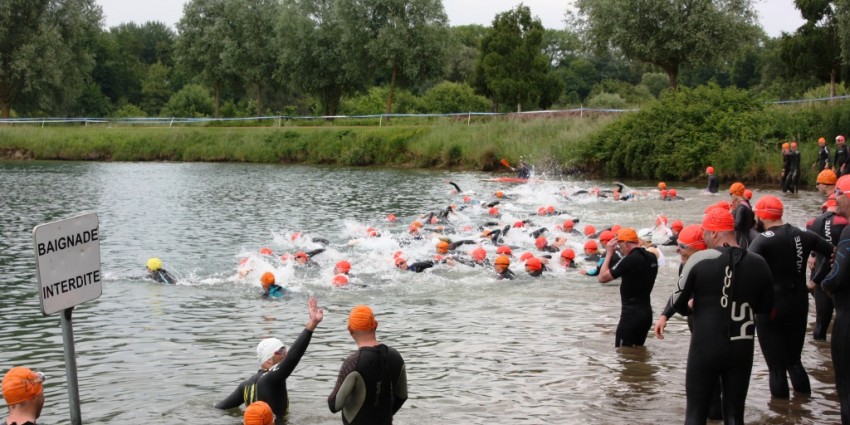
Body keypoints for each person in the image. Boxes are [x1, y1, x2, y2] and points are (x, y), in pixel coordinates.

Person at [667, 207, 774, 424]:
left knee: (695, 414)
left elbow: (677, 303)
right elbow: (765, 308)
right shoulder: (759, 263)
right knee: (735, 415)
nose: (704, 236)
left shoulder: (699, 260)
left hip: (705, 346)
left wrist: (693, 306)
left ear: (714, 233)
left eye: (705, 231)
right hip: (741, 346)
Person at [748, 195, 834, 399]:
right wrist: (814, 282)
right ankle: (801, 410)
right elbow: (835, 255)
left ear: (762, 216)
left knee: (776, 368)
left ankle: (782, 416)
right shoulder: (804, 233)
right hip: (799, 302)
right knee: (794, 362)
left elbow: (746, 267)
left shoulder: (762, 240)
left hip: (772, 306)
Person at [215, 297, 324, 419]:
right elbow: (293, 358)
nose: (285, 353)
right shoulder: (271, 379)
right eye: (280, 351)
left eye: (284, 348)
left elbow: (219, 408)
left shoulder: (245, 386)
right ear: (268, 360)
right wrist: (311, 325)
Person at [328, 305, 408, 425]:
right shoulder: (395, 356)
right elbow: (402, 396)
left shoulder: (353, 363)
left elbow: (334, 405)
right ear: (376, 325)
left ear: (350, 330)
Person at [598, 227, 659, 347]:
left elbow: (602, 278)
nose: (620, 251)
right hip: (646, 315)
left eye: (620, 247)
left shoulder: (630, 259)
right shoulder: (652, 257)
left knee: (622, 355)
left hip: (630, 316)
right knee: (637, 355)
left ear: (626, 243)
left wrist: (609, 252)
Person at [821, 174, 850, 424]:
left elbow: (835, 279)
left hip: (847, 319)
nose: (834, 198)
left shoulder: (849, 231)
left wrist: (825, 283)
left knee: (846, 391)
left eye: (838, 193)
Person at [807, 194, 847, 340]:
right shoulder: (843, 223)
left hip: (819, 279)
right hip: (840, 277)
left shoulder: (812, 223)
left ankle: (821, 356)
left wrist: (814, 281)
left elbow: (816, 248)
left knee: (820, 327)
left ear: (825, 206)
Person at [729, 182, 756, 249]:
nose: (730, 196)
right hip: (747, 236)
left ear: (735, 194)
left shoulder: (741, 207)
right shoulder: (747, 203)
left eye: (730, 194)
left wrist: (725, 224)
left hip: (742, 238)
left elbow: (737, 225)